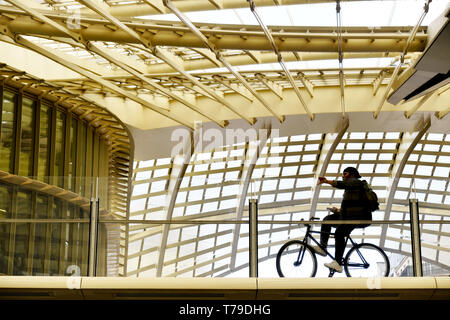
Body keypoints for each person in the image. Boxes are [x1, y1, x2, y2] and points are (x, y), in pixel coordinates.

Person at [313, 167, 372, 273]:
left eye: (345, 174)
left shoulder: (356, 183)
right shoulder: (351, 189)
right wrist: (338, 211)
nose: (343, 176)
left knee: (339, 233)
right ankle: (323, 247)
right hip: (349, 216)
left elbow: (341, 184)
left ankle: (338, 262)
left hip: (358, 218)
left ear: (352, 175)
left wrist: (326, 181)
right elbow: (352, 206)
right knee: (327, 220)